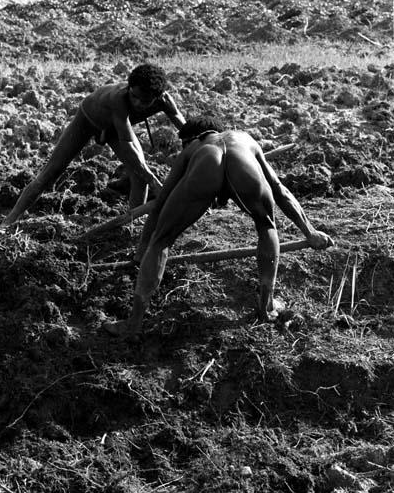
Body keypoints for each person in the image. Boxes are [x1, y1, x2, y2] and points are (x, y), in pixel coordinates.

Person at [103, 115, 334, 337]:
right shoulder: (245, 138)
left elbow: (161, 202)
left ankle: (133, 325)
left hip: (206, 167)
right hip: (244, 166)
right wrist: (310, 232)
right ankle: (267, 307)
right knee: (266, 225)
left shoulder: (194, 147)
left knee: (163, 240)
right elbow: (279, 190)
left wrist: (143, 249)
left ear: (191, 137)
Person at [2, 64, 186, 225]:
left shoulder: (164, 101)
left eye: (145, 101)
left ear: (158, 96)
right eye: (134, 96)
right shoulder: (119, 99)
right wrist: (154, 181)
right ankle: (9, 220)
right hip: (88, 120)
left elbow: (187, 130)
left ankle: (133, 224)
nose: (137, 103)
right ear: (129, 88)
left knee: (139, 176)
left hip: (115, 128)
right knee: (51, 172)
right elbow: (128, 143)